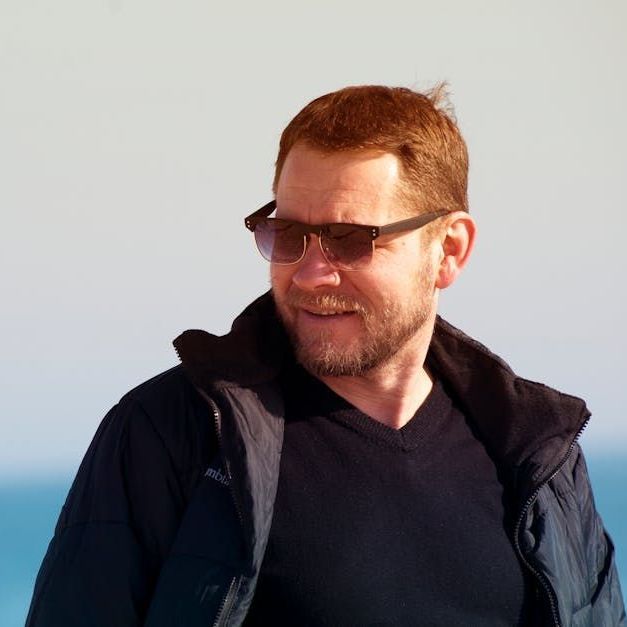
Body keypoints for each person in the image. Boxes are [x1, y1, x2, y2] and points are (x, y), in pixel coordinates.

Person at [27, 85, 625, 627]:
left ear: (448, 249)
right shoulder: (172, 433)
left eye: (349, 239)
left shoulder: (540, 457)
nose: (311, 273)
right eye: (288, 235)